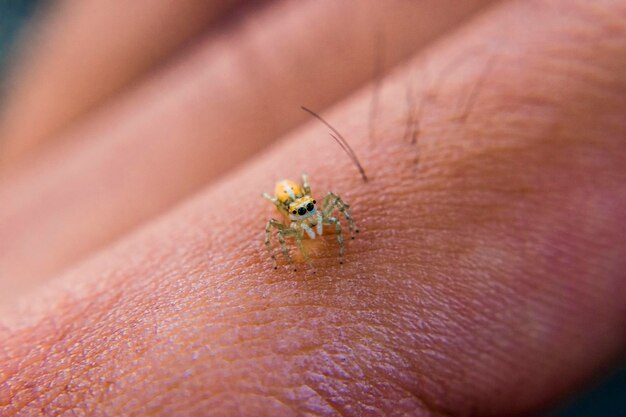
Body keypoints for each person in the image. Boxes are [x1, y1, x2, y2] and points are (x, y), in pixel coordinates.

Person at [0, 0, 624, 415]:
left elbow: (333, 215)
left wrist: (335, 232)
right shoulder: (288, 214)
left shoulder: (321, 210)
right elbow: (275, 235)